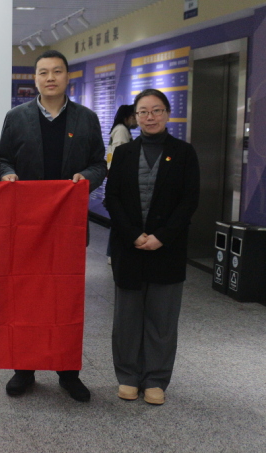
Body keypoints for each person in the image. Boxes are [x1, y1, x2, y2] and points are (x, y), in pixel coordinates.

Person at [0, 49, 106, 403]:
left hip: (67, 227)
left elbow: (99, 164)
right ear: (35, 79)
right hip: (27, 227)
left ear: (67, 77)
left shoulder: (86, 119)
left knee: (65, 301)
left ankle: (67, 371)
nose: (50, 78)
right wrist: (7, 174)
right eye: (43, 72)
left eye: (57, 72)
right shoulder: (16, 117)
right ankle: (24, 369)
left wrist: (86, 177)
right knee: (26, 299)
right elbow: (2, 159)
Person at [105, 89, 199, 406]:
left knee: (162, 319)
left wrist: (162, 236)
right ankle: (128, 377)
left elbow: (190, 201)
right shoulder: (124, 153)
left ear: (168, 114)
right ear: (136, 117)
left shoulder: (184, 153)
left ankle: (156, 379)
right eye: (143, 112)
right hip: (129, 247)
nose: (150, 117)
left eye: (157, 110)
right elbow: (112, 198)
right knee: (127, 319)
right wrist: (133, 234)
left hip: (167, 249)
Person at [105, 104, 138, 263]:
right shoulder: (121, 131)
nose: (137, 120)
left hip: (117, 178)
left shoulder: (120, 129)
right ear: (128, 117)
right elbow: (121, 156)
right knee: (119, 218)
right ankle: (112, 254)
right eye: (136, 115)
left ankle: (112, 253)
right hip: (121, 180)